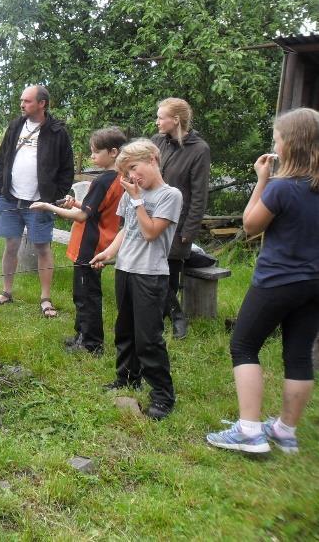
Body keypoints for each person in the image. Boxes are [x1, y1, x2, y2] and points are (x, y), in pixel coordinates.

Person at [207, 108, 319, 454]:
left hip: (277, 280)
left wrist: (261, 180)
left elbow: (251, 225)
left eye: (277, 139)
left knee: (244, 345)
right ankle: (286, 431)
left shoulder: (282, 188)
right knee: (298, 353)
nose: (275, 144)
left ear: (289, 145)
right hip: (314, 283)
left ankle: (250, 431)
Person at [91, 139, 183, 420]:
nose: (132, 177)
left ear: (153, 159)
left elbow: (151, 232)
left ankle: (162, 395)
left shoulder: (170, 195)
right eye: (127, 172)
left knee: (148, 338)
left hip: (150, 274)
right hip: (126, 270)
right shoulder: (132, 193)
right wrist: (107, 253)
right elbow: (126, 231)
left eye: (134, 168)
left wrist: (138, 200)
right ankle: (127, 378)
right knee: (125, 330)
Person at [31, 127, 125, 355]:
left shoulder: (104, 181)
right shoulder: (120, 178)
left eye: (96, 152)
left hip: (90, 245)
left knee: (86, 296)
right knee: (82, 292)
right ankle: (81, 335)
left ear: (113, 152)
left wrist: (47, 206)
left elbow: (83, 216)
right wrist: (74, 203)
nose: (92, 156)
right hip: (100, 242)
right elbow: (94, 210)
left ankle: (91, 344)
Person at [0, 84, 74, 317]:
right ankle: (6, 292)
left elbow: (67, 169)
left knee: (42, 247)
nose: (22, 104)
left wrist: (54, 197)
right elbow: (1, 159)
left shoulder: (57, 132)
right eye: (22, 100)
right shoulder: (16, 125)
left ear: (41, 104)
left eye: (26, 101)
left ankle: (45, 298)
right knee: (11, 246)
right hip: (10, 198)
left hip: (40, 202)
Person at [152, 98, 210, 339]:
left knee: (170, 274)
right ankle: (169, 315)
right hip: (152, 217)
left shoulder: (199, 149)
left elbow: (199, 195)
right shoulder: (156, 143)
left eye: (160, 117)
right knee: (152, 272)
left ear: (175, 120)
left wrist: (190, 229)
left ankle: (175, 319)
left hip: (179, 223)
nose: (156, 121)